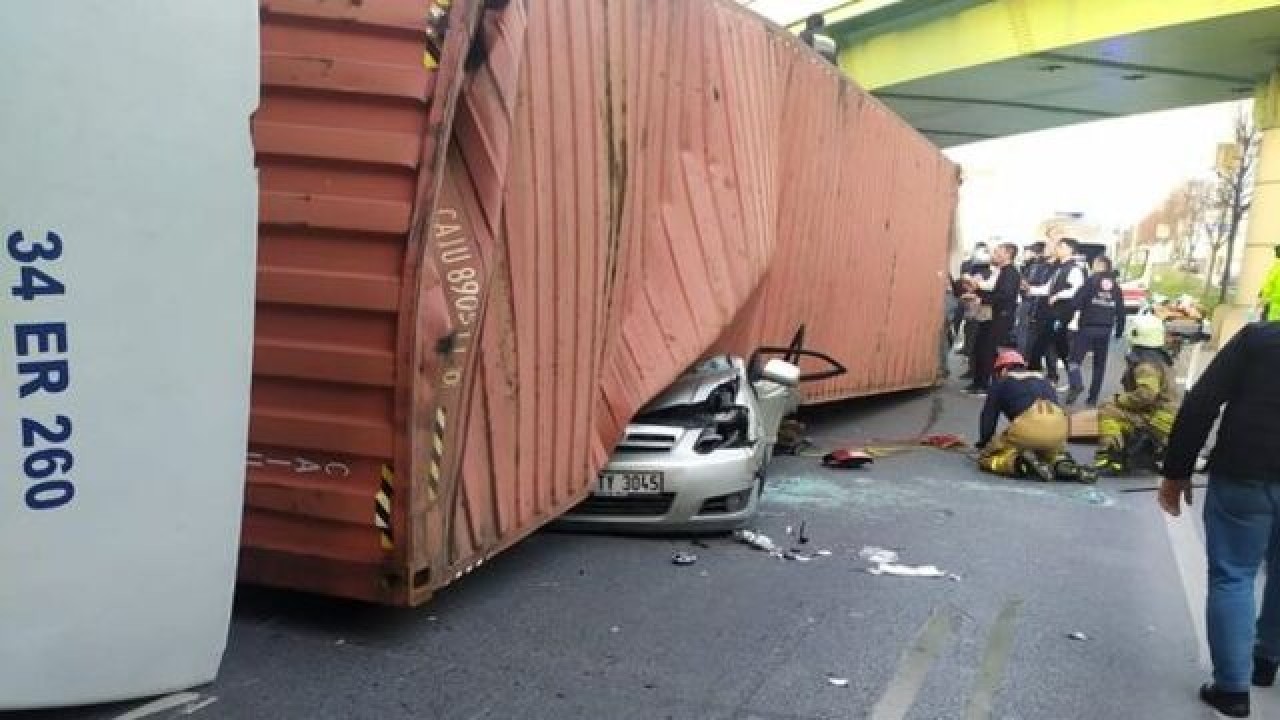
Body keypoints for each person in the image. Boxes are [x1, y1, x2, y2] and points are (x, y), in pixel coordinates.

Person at [1158, 320, 1280, 718]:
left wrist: (1177, 470)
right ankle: (1266, 660)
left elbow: (1203, 401)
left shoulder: (1260, 339)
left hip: (1246, 471)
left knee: (1234, 573)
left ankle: (1232, 687)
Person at [975, 350, 1093, 483]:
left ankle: (1019, 463)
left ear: (1003, 369)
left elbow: (988, 417)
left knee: (990, 456)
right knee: (1049, 452)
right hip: (1058, 430)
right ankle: (1062, 463)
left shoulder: (1002, 382)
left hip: (1028, 429)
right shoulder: (1043, 379)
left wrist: (984, 444)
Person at [1093, 313, 1179, 476]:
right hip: (1164, 418)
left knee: (1108, 409)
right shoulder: (1159, 359)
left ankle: (1111, 455)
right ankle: (1133, 451)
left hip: (1156, 420)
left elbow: (1146, 394)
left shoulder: (1145, 364)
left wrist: (1120, 400)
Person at [1065, 255, 1126, 406]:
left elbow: (1075, 302)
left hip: (1087, 327)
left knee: (1074, 360)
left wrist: (1068, 317)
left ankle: (1076, 383)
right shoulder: (1116, 288)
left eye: (1094, 264)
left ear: (1099, 265)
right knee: (1099, 365)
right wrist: (1119, 330)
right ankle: (1093, 399)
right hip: (1105, 330)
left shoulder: (1090, 282)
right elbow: (1121, 311)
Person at [1026, 238, 1086, 384]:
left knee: (1041, 345)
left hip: (1061, 314)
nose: (1057, 249)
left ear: (1070, 250)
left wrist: (1058, 295)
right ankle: (1075, 382)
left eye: (1061, 246)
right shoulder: (1059, 268)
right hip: (1052, 313)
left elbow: (1076, 290)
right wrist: (1030, 289)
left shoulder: (1075, 269)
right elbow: (1048, 288)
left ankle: (1033, 379)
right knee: (1061, 348)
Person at [966, 243, 1021, 394]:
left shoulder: (1011, 273)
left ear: (1008, 254)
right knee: (980, 347)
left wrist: (982, 300)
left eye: (998, 252)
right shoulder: (1001, 271)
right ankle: (977, 382)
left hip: (1001, 317)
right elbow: (992, 289)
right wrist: (976, 293)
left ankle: (985, 385)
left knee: (988, 351)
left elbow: (1004, 295)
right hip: (991, 315)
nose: (995, 254)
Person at [1015, 241, 1047, 353]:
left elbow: (1030, 284)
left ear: (1035, 253)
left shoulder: (1037, 266)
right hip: (1031, 301)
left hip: (1030, 302)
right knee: (1024, 330)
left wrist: (1023, 284)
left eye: (1027, 252)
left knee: (1024, 331)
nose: (1024, 254)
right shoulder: (1032, 265)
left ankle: (1022, 355)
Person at [1259, 245, 1280, 322]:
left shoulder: (1277, 266)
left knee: (1269, 326)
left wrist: (1263, 295)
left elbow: (1269, 283)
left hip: (1275, 303)